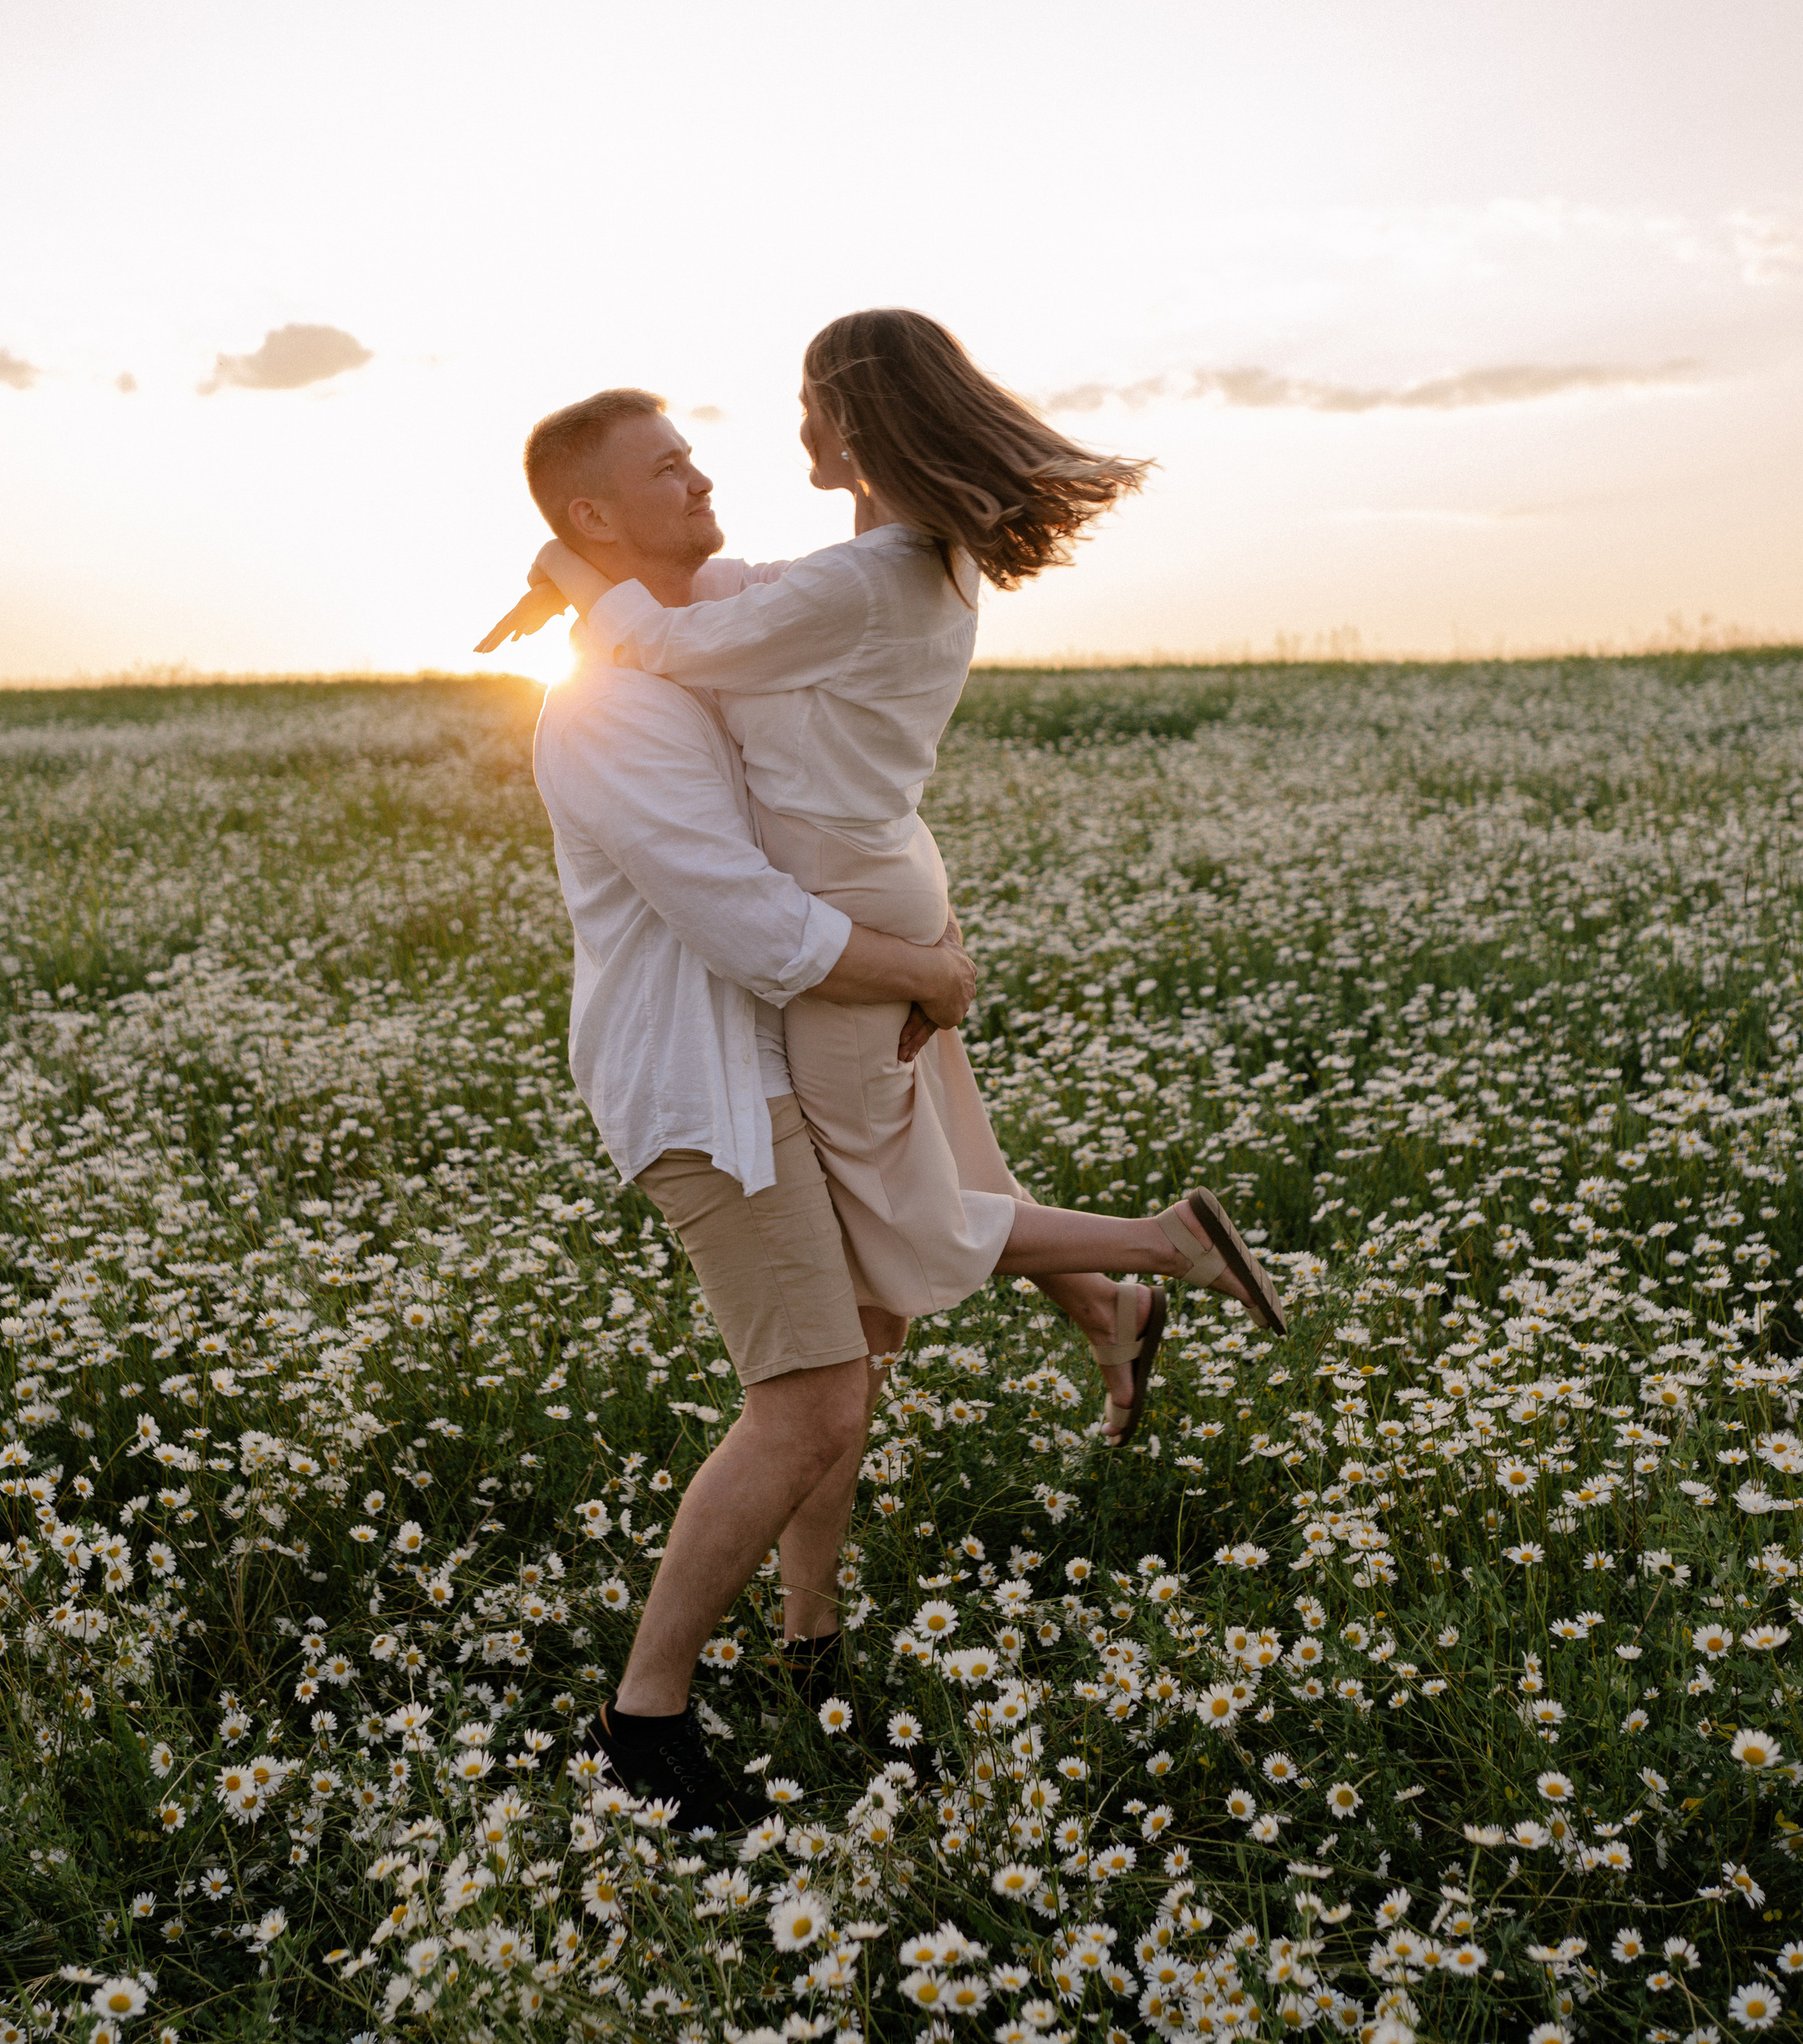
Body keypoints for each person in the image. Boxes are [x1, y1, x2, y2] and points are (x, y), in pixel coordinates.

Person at [497, 314, 1285, 1455]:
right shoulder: (905, 562)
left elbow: (668, 642)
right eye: (669, 466)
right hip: (884, 878)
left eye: (811, 401)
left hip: (851, 912)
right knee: (943, 1164)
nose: (794, 426)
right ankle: (1109, 1312)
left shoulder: (872, 579)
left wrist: (573, 568)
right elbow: (729, 594)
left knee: (887, 1215)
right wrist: (576, 562)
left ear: (856, 417)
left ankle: (1165, 1244)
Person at [507, 384, 983, 1832]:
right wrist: (926, 970)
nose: (707, 477)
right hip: (709, 1085)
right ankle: (641, 1721)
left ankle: (813, 1650)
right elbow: (746, 921)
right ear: (595, 513)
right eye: (668, 468)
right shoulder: (605, 709)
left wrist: (569, 574)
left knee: (863, 1356)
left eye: (696, 453)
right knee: (807, 1400)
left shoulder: (695, 625)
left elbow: (812, 585)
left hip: (783, 1058)